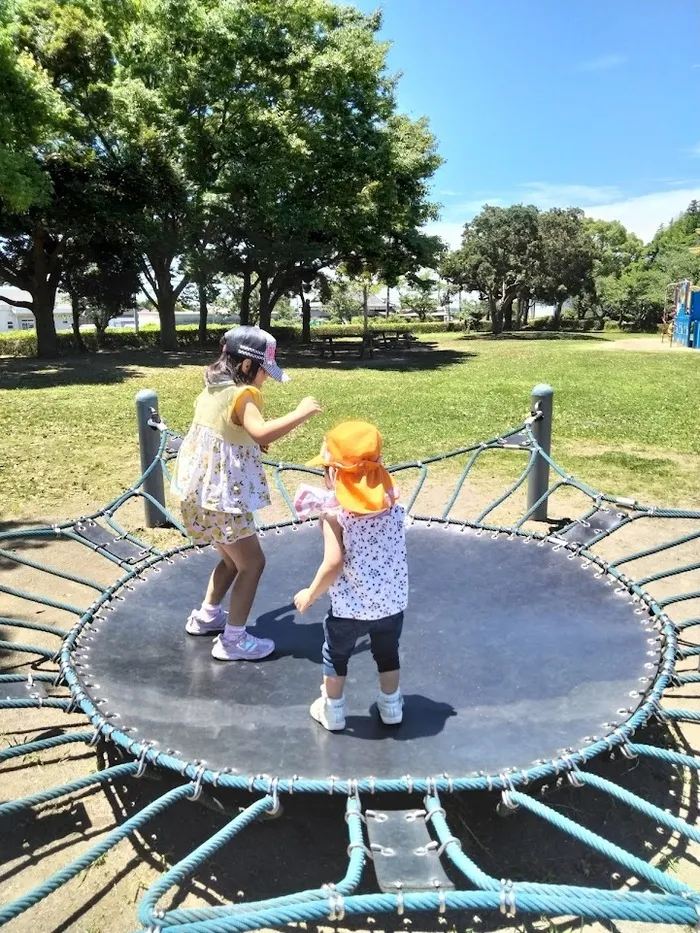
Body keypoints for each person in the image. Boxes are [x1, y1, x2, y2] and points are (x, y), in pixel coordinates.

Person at [171, 325, 321, 661]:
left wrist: (253, 438)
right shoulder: (244, 394)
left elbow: (230, 432)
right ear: (246, 366)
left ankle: (207, 616)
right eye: (264, 372)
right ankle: (233, 641)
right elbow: (258, 428)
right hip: (224, 501)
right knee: (252, 564)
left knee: (230, 560)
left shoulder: (213, 388)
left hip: (199, 497)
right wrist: (300, 413)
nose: (265, 380)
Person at [293, 421, 408, 731]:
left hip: (349, 609)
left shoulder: (336, 516)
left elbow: (333, 563)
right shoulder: (394, 506)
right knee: (387, 654)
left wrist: (311, 594)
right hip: (391, 605)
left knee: (335, 656)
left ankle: (333, 712)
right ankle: (391, 706)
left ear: (332, 474)